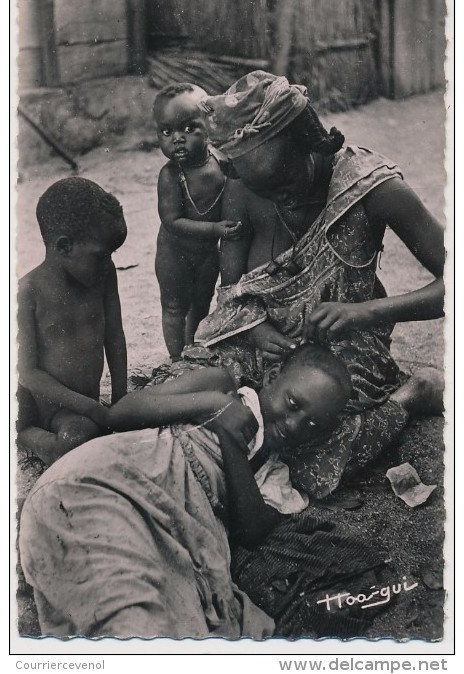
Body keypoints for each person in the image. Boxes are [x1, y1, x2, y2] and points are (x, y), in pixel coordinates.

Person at [190, 70, 445, 498]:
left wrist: (363, 312)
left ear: (313, 147)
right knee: (197, 393)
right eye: (268, 191)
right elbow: (230, 292)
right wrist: (254, 328)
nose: (284, 199)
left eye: (288, 183)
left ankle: (409, 396)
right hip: (262, 340)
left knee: (311, 447)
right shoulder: (242, 189)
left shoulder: (371, 188)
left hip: (343, 352)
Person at [19, 344, 358, 640]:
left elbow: (251, 530)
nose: (295, 424)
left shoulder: (275, 475)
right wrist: (214, 406)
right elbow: (119, 415)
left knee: (161, 615)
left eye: (314, 425)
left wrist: (230, 440)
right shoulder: (222, 387)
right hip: (111, 483)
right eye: (293, 403)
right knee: (125, 605)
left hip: (168, 531)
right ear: (271, 378)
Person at [17, 177, 128, 466]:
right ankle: (25, 435)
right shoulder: (28, 291)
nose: (108, 262)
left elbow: (114, 335)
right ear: (64, 246)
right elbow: (28, 374)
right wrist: (91, 408)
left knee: (97, 430)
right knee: (77, 441)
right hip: (47, 407)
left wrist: (120, 398)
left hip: (85, 404)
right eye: (102, 255)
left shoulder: (103, 275)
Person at [154, 83, 243, 361]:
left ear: (209, 126)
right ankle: (175, 358)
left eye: (189, 129)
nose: (177, 139)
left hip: (206, 253)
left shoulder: (221, 162)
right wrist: (215, 229)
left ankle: (193, 348)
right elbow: (171, 221)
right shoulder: (170, 175)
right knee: (173, 306)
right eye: (167, 132)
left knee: (201, 302)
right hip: (174, 252)